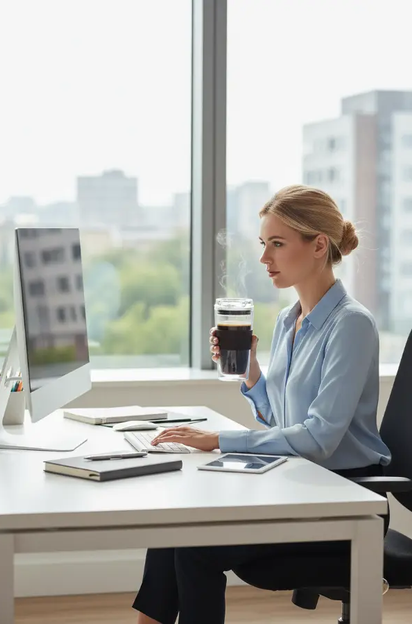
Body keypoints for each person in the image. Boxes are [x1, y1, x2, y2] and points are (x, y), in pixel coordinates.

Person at [133, 184, 391, 624]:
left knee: (194, 548)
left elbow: (319, 438)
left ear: (318, 246)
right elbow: (281, 420)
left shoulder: (351, 326)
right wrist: (252, 370)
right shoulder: (290, 321)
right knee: (174, 525)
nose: (264, 258)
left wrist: (218, 440)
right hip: (297, 487)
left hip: (343, 502)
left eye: (277, 244)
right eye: (262, 244)